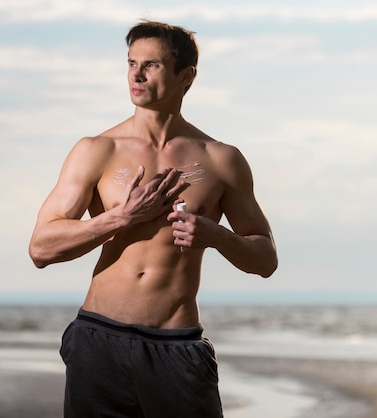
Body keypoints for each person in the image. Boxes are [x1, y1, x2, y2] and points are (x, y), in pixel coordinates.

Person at [29, 20, 277, 418]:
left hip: (176, 346)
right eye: (131, 63)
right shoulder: (97, 150)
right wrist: (121, 217)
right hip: (99, 339)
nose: (137, 75)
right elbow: (41, 248)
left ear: (186, 76)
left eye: (153, 65)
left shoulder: (220, 159)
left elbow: (265, 260)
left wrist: (216, 235)